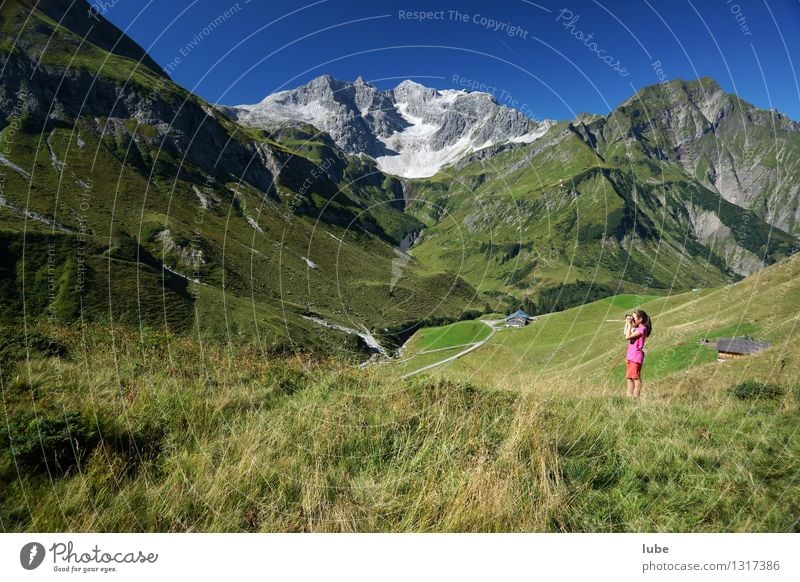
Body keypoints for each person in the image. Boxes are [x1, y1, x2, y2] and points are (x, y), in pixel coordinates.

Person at [623, 309, 652, 398]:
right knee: (629, 377)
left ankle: (636, 397)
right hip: (631, 356)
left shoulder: (642, 329)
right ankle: (629, 396)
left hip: (635, 356)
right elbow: (625, 333)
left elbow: (627, 337)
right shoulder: (638, 328)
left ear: (640, 319)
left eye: (634, 318)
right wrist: (628, 324)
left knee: (635, 377)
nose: (633, 319)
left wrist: (629, 324)